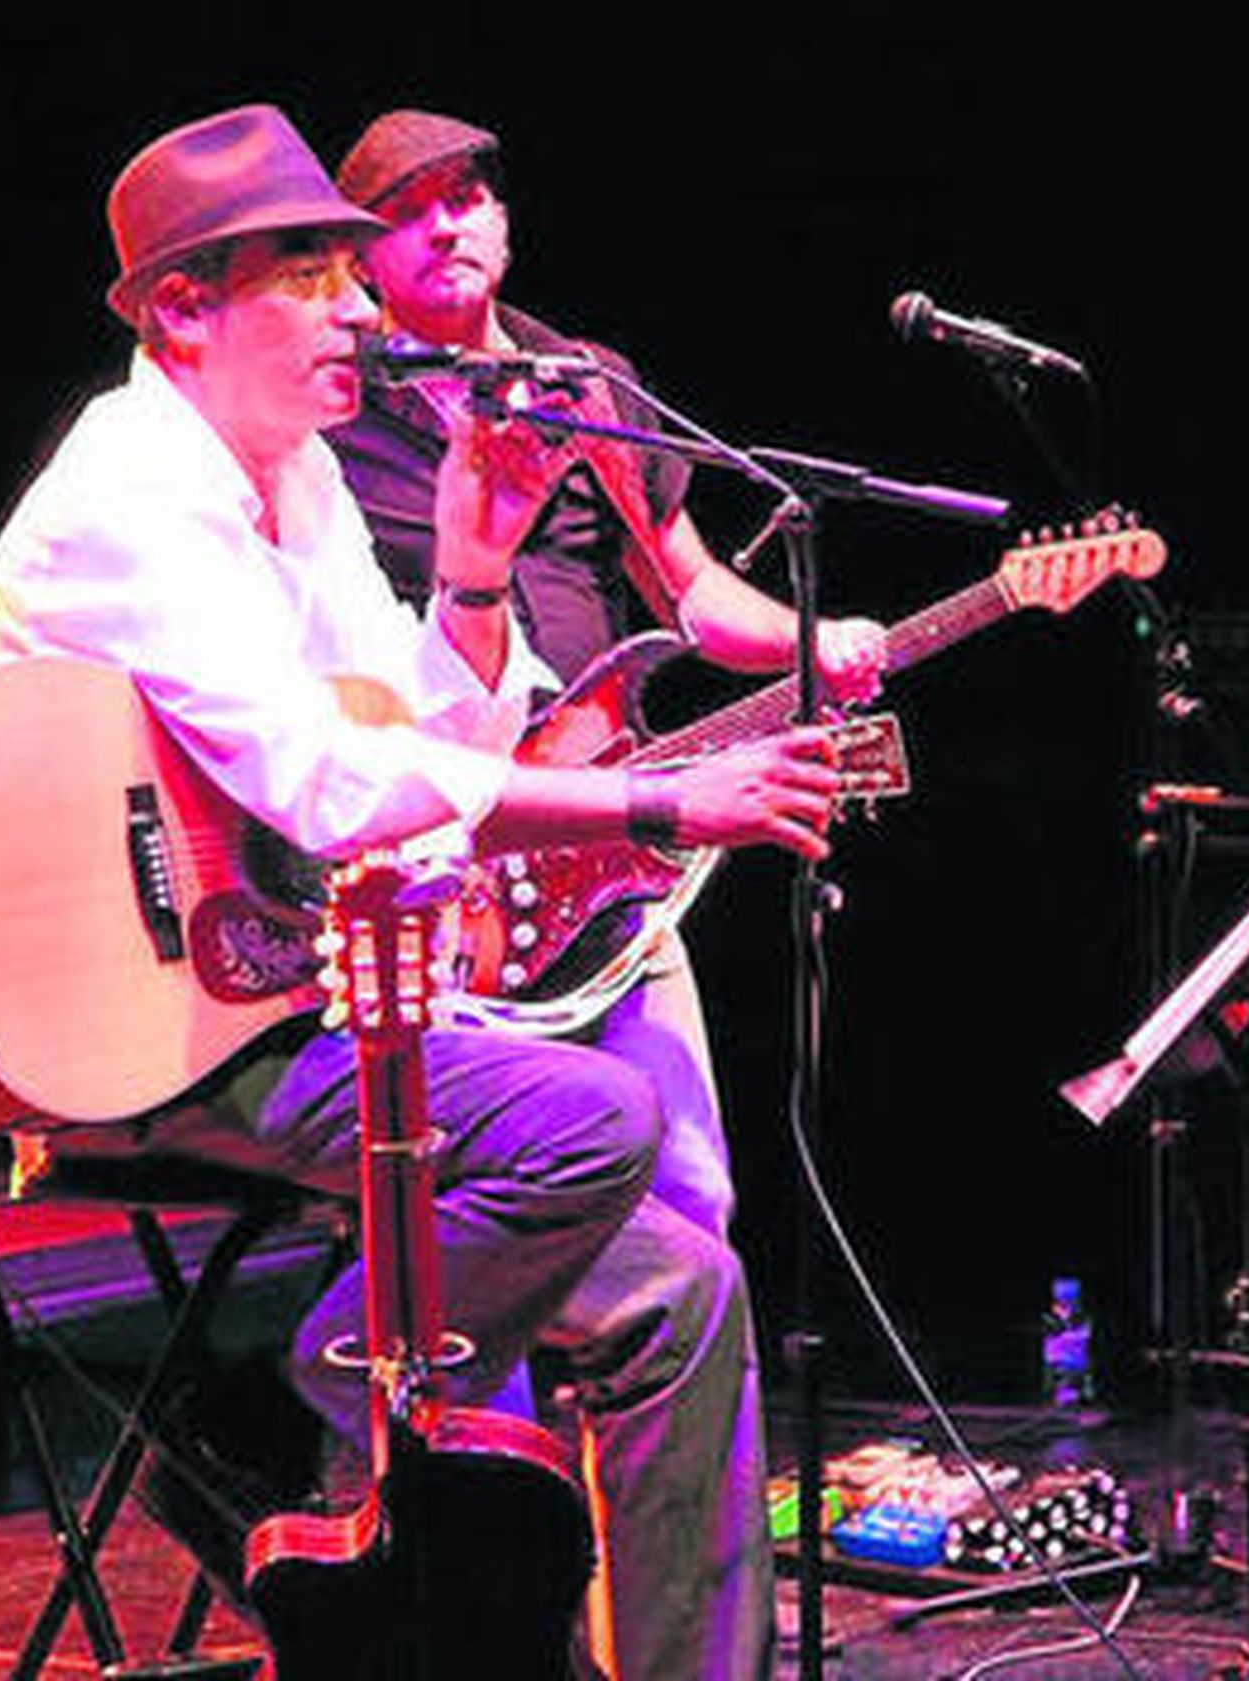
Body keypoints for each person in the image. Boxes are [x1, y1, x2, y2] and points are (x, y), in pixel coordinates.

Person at [0, 104, 842, 1681]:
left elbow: (411, 752)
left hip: (271, 995)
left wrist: (478, 574)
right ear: (185, 307)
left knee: (689, 1290)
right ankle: (322, 1392)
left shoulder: (289, 477)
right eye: (318, 276)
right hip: (136, 1029)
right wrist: (649, 795)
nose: (366, 311)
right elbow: (331, 788)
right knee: (589, 1116)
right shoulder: (128, 502)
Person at [330, 109, 887, 1241]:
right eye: (404, 213)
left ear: (503, 220)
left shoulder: (583, 384)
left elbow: (684, 594)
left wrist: (807, 639)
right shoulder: (334, 410)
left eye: (464, 199)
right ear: (359, 255)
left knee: (694, 1191)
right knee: (477, 1201)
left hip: (601, 838)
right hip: (450, 847)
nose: (443, 229)